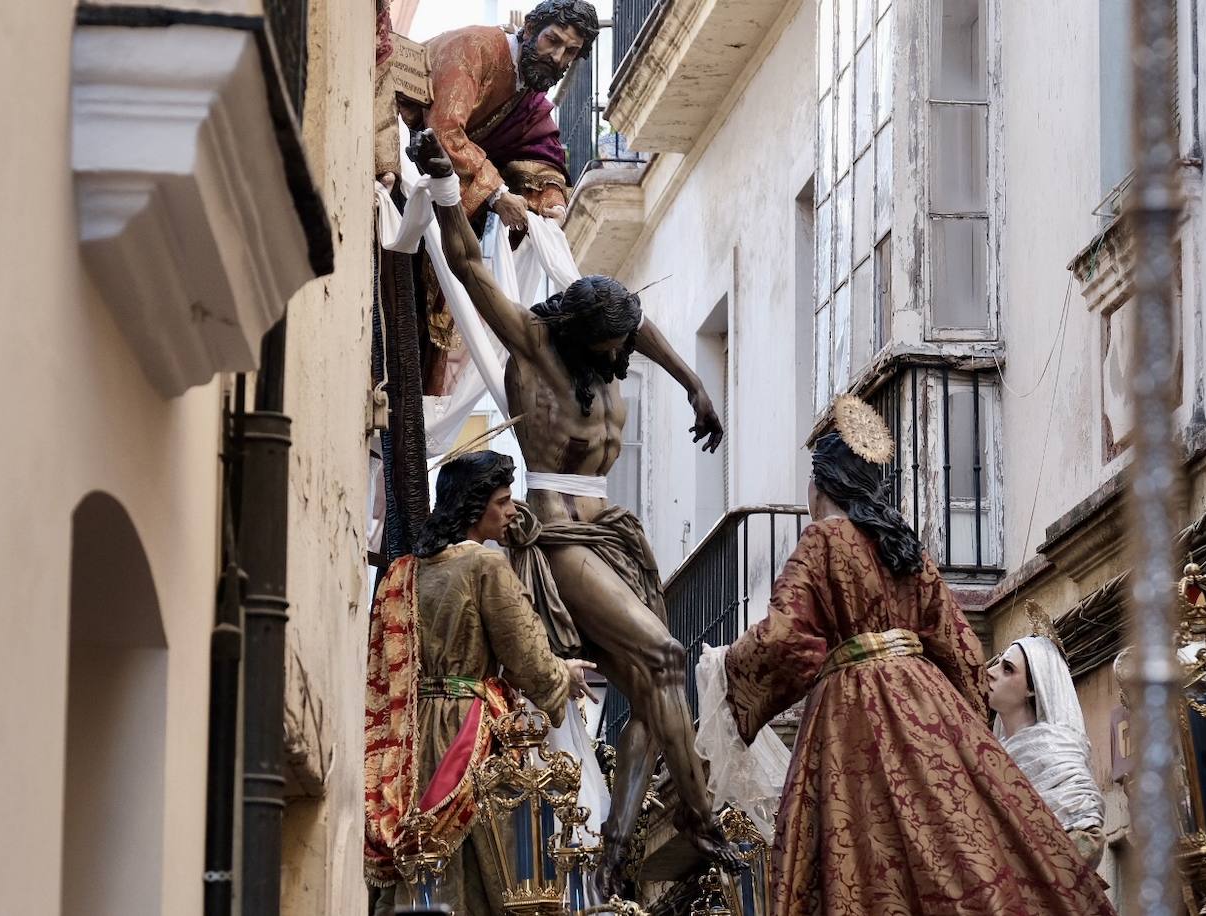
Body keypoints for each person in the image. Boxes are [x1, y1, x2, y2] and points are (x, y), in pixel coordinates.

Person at [406, 127, 737, 895]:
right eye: (617, 345)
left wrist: (693, 382)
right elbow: (467, 266)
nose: (628, 357)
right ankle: (698, 815)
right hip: (559, 535)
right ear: (587, 335)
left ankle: (618, 857)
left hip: (611, 538)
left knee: (654, 698)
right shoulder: (536, 350)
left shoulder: (611, 344)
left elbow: (640, 325)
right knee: (663, 659)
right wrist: (452, 196)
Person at [720, 396, 1115, 915]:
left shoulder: (824, 539)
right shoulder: (908, 551)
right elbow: (961, 648)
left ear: (822, 486)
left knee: (860, 849)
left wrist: (727, 669)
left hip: (851, 712)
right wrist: (960, 735)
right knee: (954, 843)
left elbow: (785, 638)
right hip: (927, 705)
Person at [364, 451, 596, 916]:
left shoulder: (402, 572)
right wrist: (561, 676)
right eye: (503, 501)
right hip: (470, 733)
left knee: (429, 861)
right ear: (474, 507)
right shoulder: (485, 567)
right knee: (490, 862)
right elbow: (526, 653)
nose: (512, 511)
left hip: (408, 741)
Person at [405, 0, 600, 226]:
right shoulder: (473, 47)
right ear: (529, 29)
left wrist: (552, 203)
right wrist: (496, 193)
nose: (557, 57)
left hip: (439, 201)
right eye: (552, 40)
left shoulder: (529, 95)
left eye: (570, 51)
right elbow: (443, 130)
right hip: (403, 174)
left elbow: (537, 155)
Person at [988, 607, 1106, 867]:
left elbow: (1087, 845)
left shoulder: (1058, 758)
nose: (991, 672)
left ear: (1033, 688)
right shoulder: (988, 755)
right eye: (998, 663)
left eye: (1008, 669)